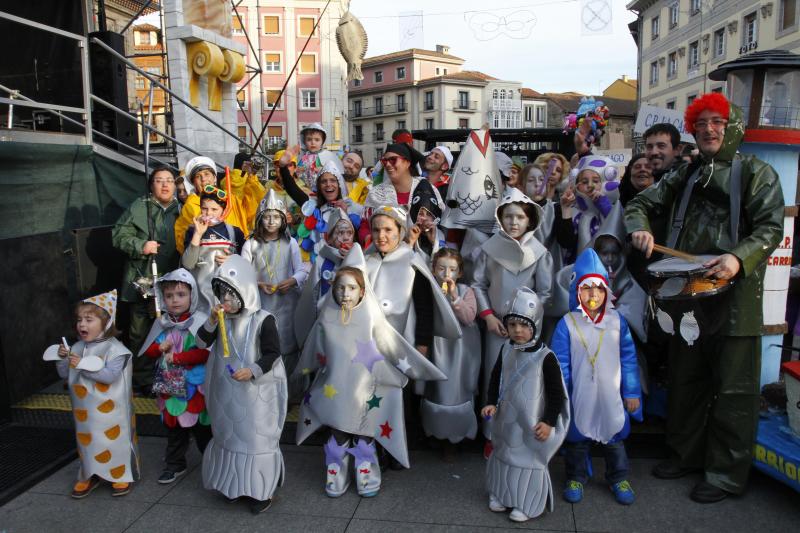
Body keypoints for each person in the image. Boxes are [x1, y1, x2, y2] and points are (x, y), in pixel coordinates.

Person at [625, 92, 785, 503]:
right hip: (688, 296)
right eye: (701, 123)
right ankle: (685, 455)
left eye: (717, 122)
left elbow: (769, 229)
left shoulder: (757, 172)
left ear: (731, 127)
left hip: (736, 299)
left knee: (734, 389)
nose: (709, 130)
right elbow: (642, 201)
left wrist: (737, 258)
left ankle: (726, 474)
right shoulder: (687, 174)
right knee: (686, 379)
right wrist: (640, 225)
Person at [294, 246, 447, 497]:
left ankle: (365, 463)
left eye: (352, 288)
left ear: (362, 291)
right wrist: (303, 373)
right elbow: (314, 349)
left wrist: (409, 369)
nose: (345, 294)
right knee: (337, 425)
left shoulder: (372, 318)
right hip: (334, 386)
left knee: (365, 424)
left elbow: (391, 345)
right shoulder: (326, 318)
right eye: (340, 288)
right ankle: (337, 464)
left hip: (365, 387)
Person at [551, 249, 642, 506]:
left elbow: (628, 360)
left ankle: (618, 477)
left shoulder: (617, 322)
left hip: (610, 394)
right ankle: (576, 477)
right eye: (587, 289)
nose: (593, 295)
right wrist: (562, 395)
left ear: (606, 292)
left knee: (614, 438)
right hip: (580, 393)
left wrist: (632, 392)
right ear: (577, 292)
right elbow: (560, 363)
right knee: (578, 440)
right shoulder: (567, 323)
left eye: (598, 289)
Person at [197, 255, 287, 514]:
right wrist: (212, 321)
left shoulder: (263, 319)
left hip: (257, 392)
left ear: (244, 291)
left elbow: (273, 353)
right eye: (221, 295)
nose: (225, 301)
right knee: (229, 436)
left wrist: (253, 370)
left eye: (230, 294)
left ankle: (260, 489)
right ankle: (233, 484)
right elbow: (202, 343)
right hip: (227, 391)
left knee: (255, 438)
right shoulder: (221, 318)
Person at [483, 287, 569, 522]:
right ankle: (501, 493)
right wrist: (491, 402)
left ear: (536, 324)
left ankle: (525, 502)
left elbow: (556, 393)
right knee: (503, 453)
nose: (517, 331)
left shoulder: (546, 357)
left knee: (527, 458)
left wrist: (549, 421)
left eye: (523, 325)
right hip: (505, 419)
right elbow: (496, 377)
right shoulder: (506, 349)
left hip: (531, 420)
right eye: (512, 325)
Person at [473, 187, 553, 424]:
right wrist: (488, 316)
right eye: (508, 216)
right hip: (497, 326)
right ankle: (492, 433)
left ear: (530, 220)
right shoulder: (489, 250)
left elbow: (545, 292)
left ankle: (526, 428)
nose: (514, 222)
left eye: (520, 217)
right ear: (500, 218)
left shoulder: (539, 253)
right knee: (494, 376)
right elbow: (478, 284)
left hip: (527, 330)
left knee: (526, 380)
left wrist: (529, 322)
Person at [54, 290, 140, 498]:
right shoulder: (77, 346)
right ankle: (89, 473)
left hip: (112, 413)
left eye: (89, 319)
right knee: (88, 440)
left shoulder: (115, 350)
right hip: (84, 410)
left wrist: (81, 365)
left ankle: (119, 473)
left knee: (113, 440)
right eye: (79, 320)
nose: (82, 325)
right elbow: (64, 373)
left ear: (106, 323)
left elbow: (109, 376)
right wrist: (62, 359)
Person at [138, 268, 211, 484]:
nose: (175, 301)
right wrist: (160, 347)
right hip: (170, 386)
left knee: (203, 427)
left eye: (181, 295)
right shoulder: (162, 323)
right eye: (169, 296)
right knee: (174, 426)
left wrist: (178, 358)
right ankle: (175, 464)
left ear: (193, 295)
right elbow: (148, 350)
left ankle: (213, 461)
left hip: (195, 386)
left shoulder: (201, 321)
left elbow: (205, 352)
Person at [112, 165, 180, 390]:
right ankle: (142, 380)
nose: (165, 184)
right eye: (159, 180)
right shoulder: (139, 207)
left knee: (172, 332)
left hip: (174, 283)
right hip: (143, 281)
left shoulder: (183, 209)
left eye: (169, 180)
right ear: (152, 184)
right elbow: (119, 235)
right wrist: (141, 245)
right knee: (140, 333)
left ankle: (172, 377)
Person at [241, 190, 308, 395]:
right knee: (263, 344)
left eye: (276, 217)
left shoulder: (291, 243)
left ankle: (288, 392)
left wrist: (293, 280)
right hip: (259, 303)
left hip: (286, 302)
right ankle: (264, 390)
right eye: (267, 217)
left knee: (287, 344)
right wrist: (257, 283)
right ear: (260, 219)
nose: (271, 221)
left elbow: (302, 269)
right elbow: (242, 274)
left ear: (282, 220)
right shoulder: (251, 244)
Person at [421, 248, 481, 461]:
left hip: (459, 352)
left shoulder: (466, 291)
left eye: (452, 269)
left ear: (460, 273)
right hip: (437, 348)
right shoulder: (429, 289)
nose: (447, 273)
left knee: (455, 391)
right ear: (433, 269)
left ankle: (454, 439)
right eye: (441, 268)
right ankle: (436, 433)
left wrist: (455, 297)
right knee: (436, 390)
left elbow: (468, 317)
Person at [174, 156, 263, 254]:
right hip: (206, 262)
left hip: (236, 256)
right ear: (194, 182)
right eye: (198, 176)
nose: (203, 179)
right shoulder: (189, 207)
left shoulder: (230, 198)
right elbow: (182, 243)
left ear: (214, 177)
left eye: (207, 174)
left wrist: (251, 176)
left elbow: (253, 206)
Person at [181, 186, 245, 314]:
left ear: (224, 210)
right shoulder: (192, 230)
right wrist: (197, 235)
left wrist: (234, 261)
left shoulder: (235, 232)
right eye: (204, 208)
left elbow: (246, 265)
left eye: (214, 209)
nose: (209, 213)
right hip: (200, 296)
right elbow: (188, 264)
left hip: (228, 294)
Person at [556, 155, 620, 264]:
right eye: (584, 182)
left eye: (595, 181)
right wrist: (566, 210)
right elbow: (566, 242)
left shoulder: (615, 209)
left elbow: (618, 229)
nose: (590, 186)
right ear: (576, 185)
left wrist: (604, 205)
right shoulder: (573, 211)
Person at [295, 123, 344, 191]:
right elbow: (297, 172)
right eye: (309, 139)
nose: (313, 142)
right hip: (305, 189)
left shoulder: (328, 156)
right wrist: (299, 170)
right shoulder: (303, 157)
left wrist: (323, 170)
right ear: (304, 142)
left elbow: (336, 174)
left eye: (317, 140)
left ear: (322, 142)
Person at [406, 179, 446, 264]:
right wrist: (410, 242)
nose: (424, 218)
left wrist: (434, 242)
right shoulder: (406, 233)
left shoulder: (441, 235)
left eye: (429, 214)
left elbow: (445, 263)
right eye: (420, 214)